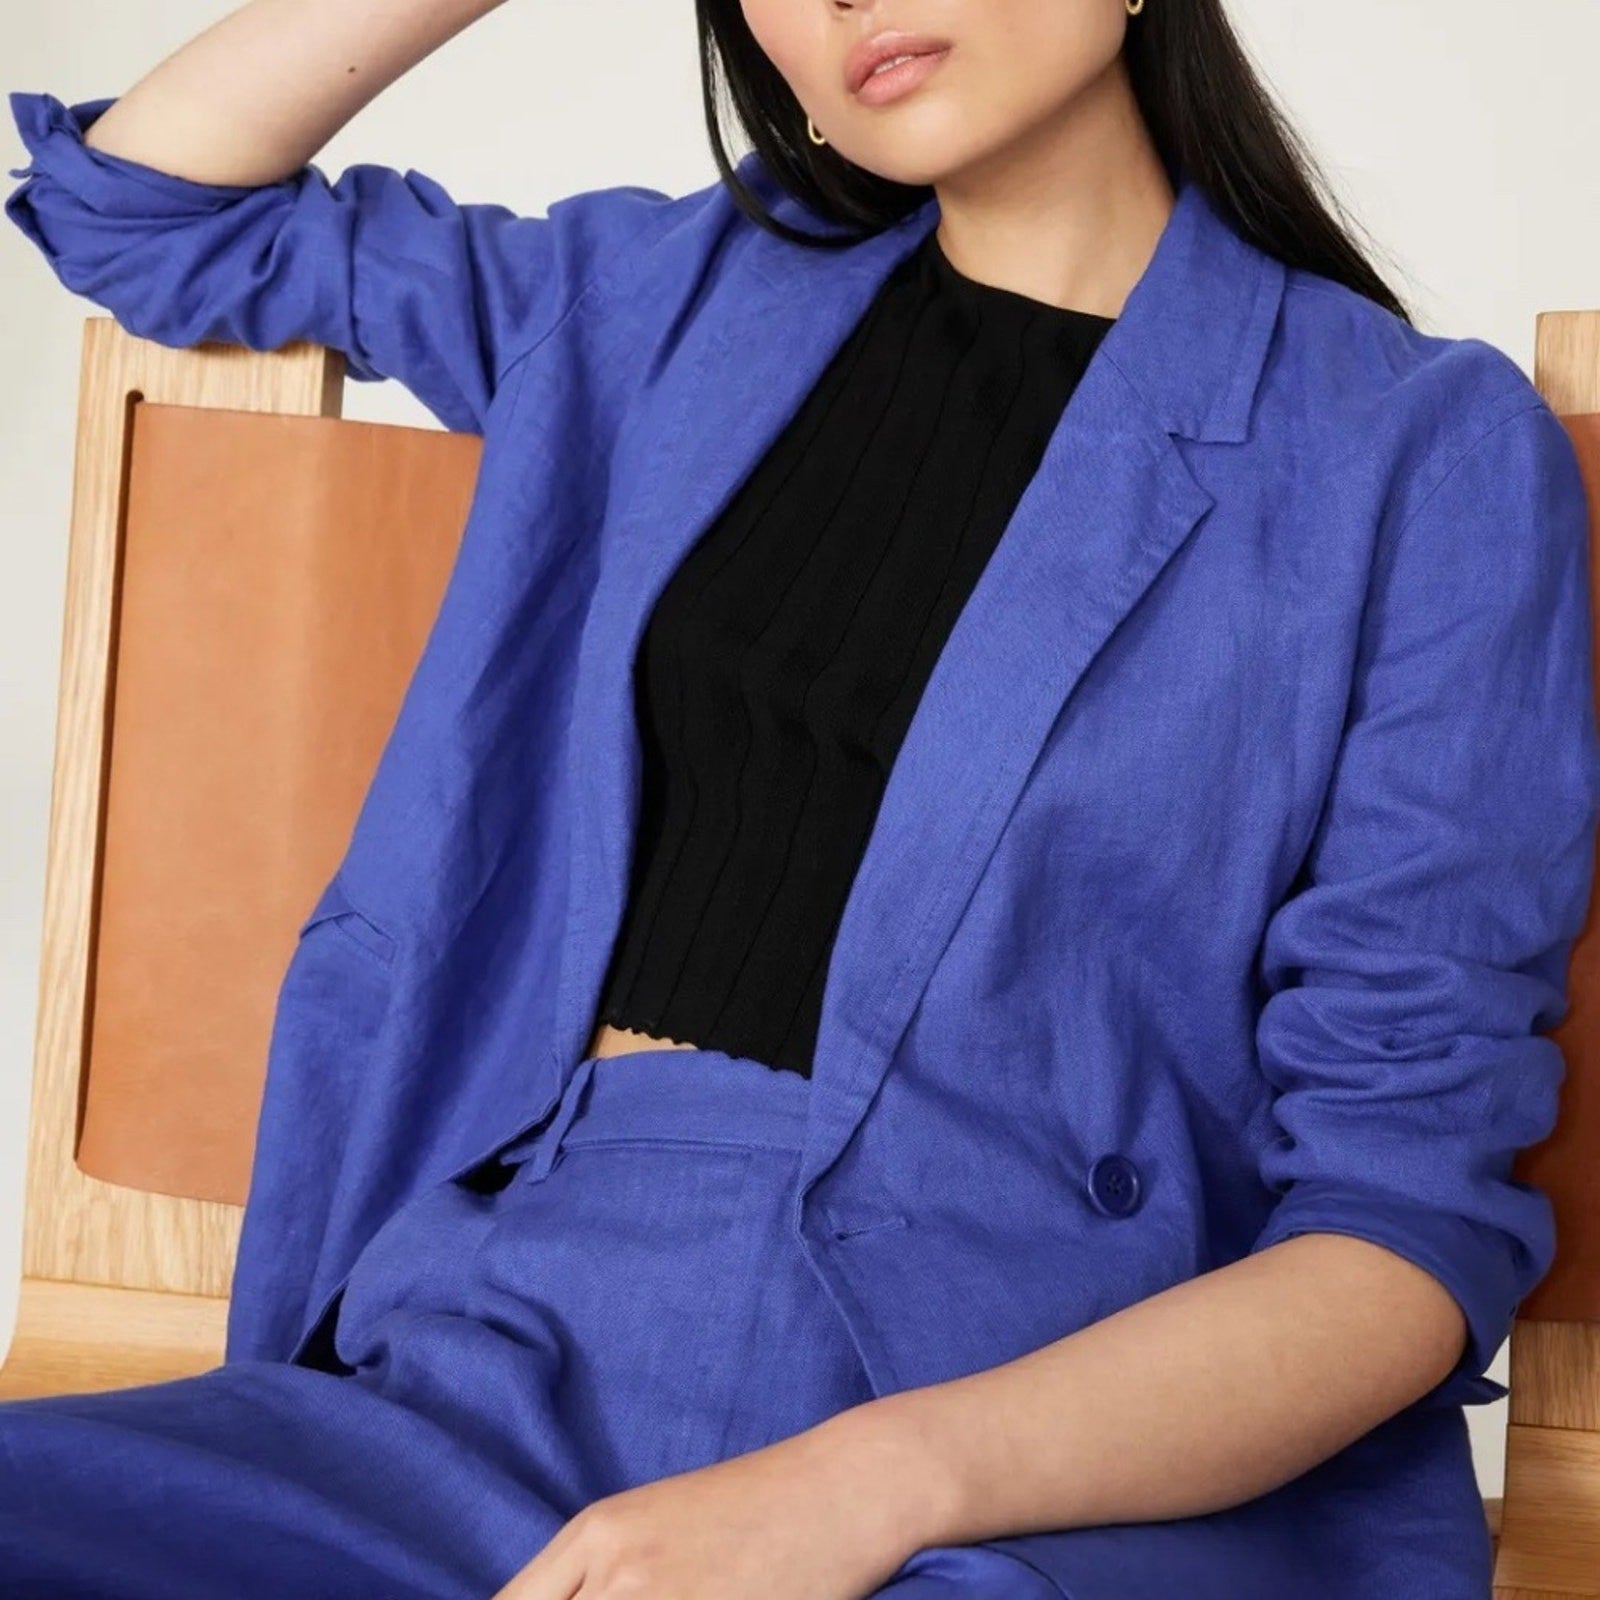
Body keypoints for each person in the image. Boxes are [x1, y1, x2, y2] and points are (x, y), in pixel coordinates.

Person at [4, 0, 1598, 1596]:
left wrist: (873, 1487)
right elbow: (144, 207)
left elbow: (1399, 1230)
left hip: (1019, 1433)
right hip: (482, 1361)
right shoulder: (682, 299)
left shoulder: (1413, 454)